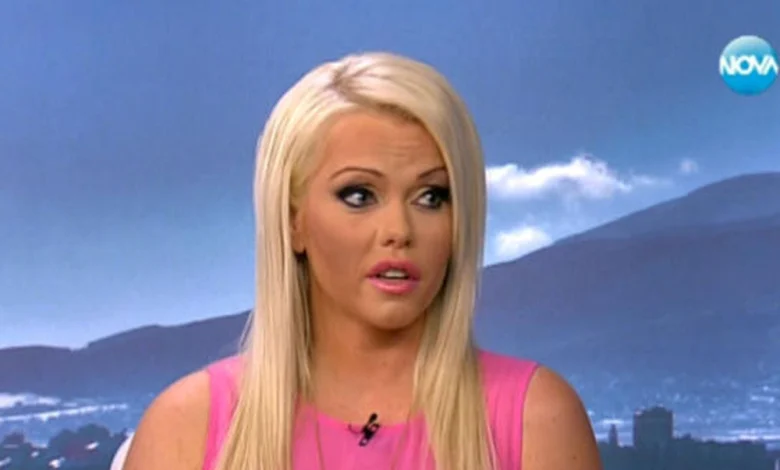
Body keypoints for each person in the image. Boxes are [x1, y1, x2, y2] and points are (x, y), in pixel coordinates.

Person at [123, 51, 602, 470]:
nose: (399, 230)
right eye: (359, 195)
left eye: (431, 197)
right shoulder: (186, 428)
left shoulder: (537, 420)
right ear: (293, 220)